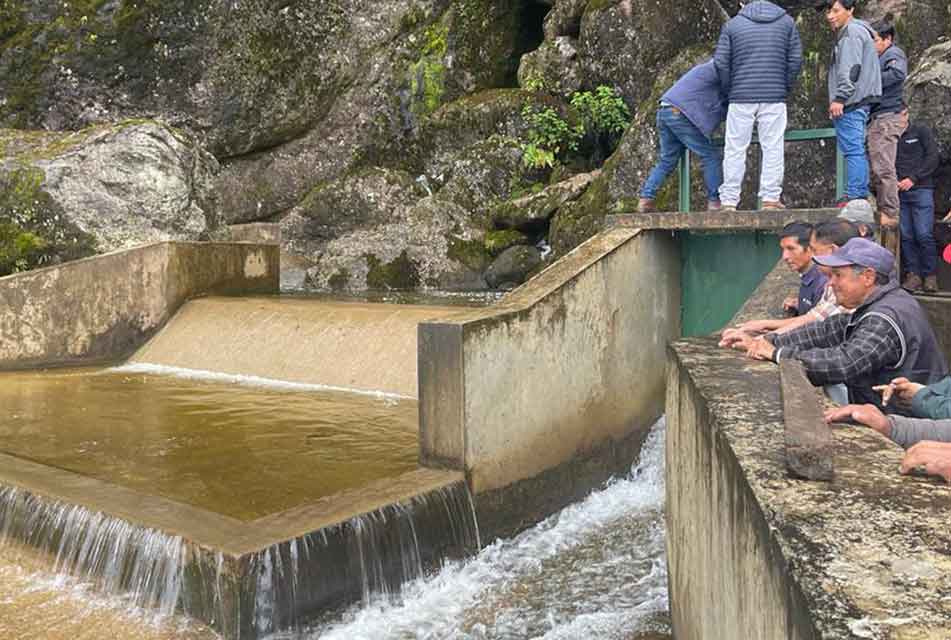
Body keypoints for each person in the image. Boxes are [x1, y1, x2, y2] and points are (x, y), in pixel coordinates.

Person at [735, 237, 948, 412]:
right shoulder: (887, 300)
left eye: (838, 275)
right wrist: (766, 340)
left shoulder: (884, 317)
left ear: (867, 276)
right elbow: (831, 329)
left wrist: (777, 354)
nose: (831, 283)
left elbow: (845, 363)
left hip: (905, 421)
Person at [714, 0, 802, 211]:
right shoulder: (787, 22)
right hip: (774, 95)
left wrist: (730, 89)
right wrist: (783, 85)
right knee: (773, 147)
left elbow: (720, 62)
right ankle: (770, 199)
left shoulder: (733, 25)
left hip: (740, 96)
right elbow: (795, 60)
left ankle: (729, 201)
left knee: (735, 148)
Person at [720, 218, 860, 347]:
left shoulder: (838, 282)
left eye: (814, 250)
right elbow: (813, 318)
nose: (785, 257)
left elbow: (815, 329)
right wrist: (764, 327)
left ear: (833, 251)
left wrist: (760, 341)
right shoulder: (831, 281)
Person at [638, 60, 727, 213]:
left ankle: (646, 198)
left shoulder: (707, 67)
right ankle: (715, 202)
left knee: (667, 160)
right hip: (680, 112)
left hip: (665, 109)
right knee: (710, 155)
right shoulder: (722, 68)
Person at [822, 0, 882, 206]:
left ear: (850, 10)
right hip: (860, 99)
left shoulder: (851, 33)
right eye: (828, 11)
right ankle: (856, 192)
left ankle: (856, 194)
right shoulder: (859, 31)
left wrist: (840, 98)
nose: (830, 16)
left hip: (852, 101)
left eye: (836, 11)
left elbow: (851, 68)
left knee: (853, 149)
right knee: (855, 147)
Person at [867, 22, 907, 228]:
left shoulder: (894, 53)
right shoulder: (878, 57)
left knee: (883, 166)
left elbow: (898, 74)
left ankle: (890, 214)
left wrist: (869, 79)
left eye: (874, 40)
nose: (871, 45)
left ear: (887, 39)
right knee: (876, 168)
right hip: (879, 116)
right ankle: (884, 209)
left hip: (887, 116)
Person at [895, 111, 940, 292]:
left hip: (921, 189)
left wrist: (914, 178)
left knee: (924, 234)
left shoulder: (920, 130)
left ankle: (930, 276)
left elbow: (933, 158)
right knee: (906, 236)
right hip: (899, 193)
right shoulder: (890, 135)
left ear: (906, 114)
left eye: (900, 114)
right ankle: (913, 275)